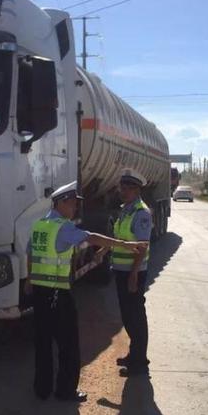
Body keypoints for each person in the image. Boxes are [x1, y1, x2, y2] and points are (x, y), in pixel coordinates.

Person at [26, 181, 147, 402]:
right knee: (68, 344)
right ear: (61, 204)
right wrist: (126, 245)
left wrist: (29, 280)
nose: (75, 209)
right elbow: (91, 237)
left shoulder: (39, 225)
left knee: (42, 342)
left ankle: (41, 389)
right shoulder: (62, 227)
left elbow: (30, 254)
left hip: (40, 293)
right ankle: (65, 391)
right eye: (72, 204)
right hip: (58, 294)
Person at [112, 169, 153, 377]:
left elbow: (142, 246)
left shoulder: (141, 212)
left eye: (129, 188)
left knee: (135, 316)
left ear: (137, 190)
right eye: (122, 187)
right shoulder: (126, 209)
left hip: (132, 272)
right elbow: (120, 239)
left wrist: (134, 274)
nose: (124, 191)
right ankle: (133, 355)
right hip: (121, 271)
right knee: (128, 316)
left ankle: (139, 362)